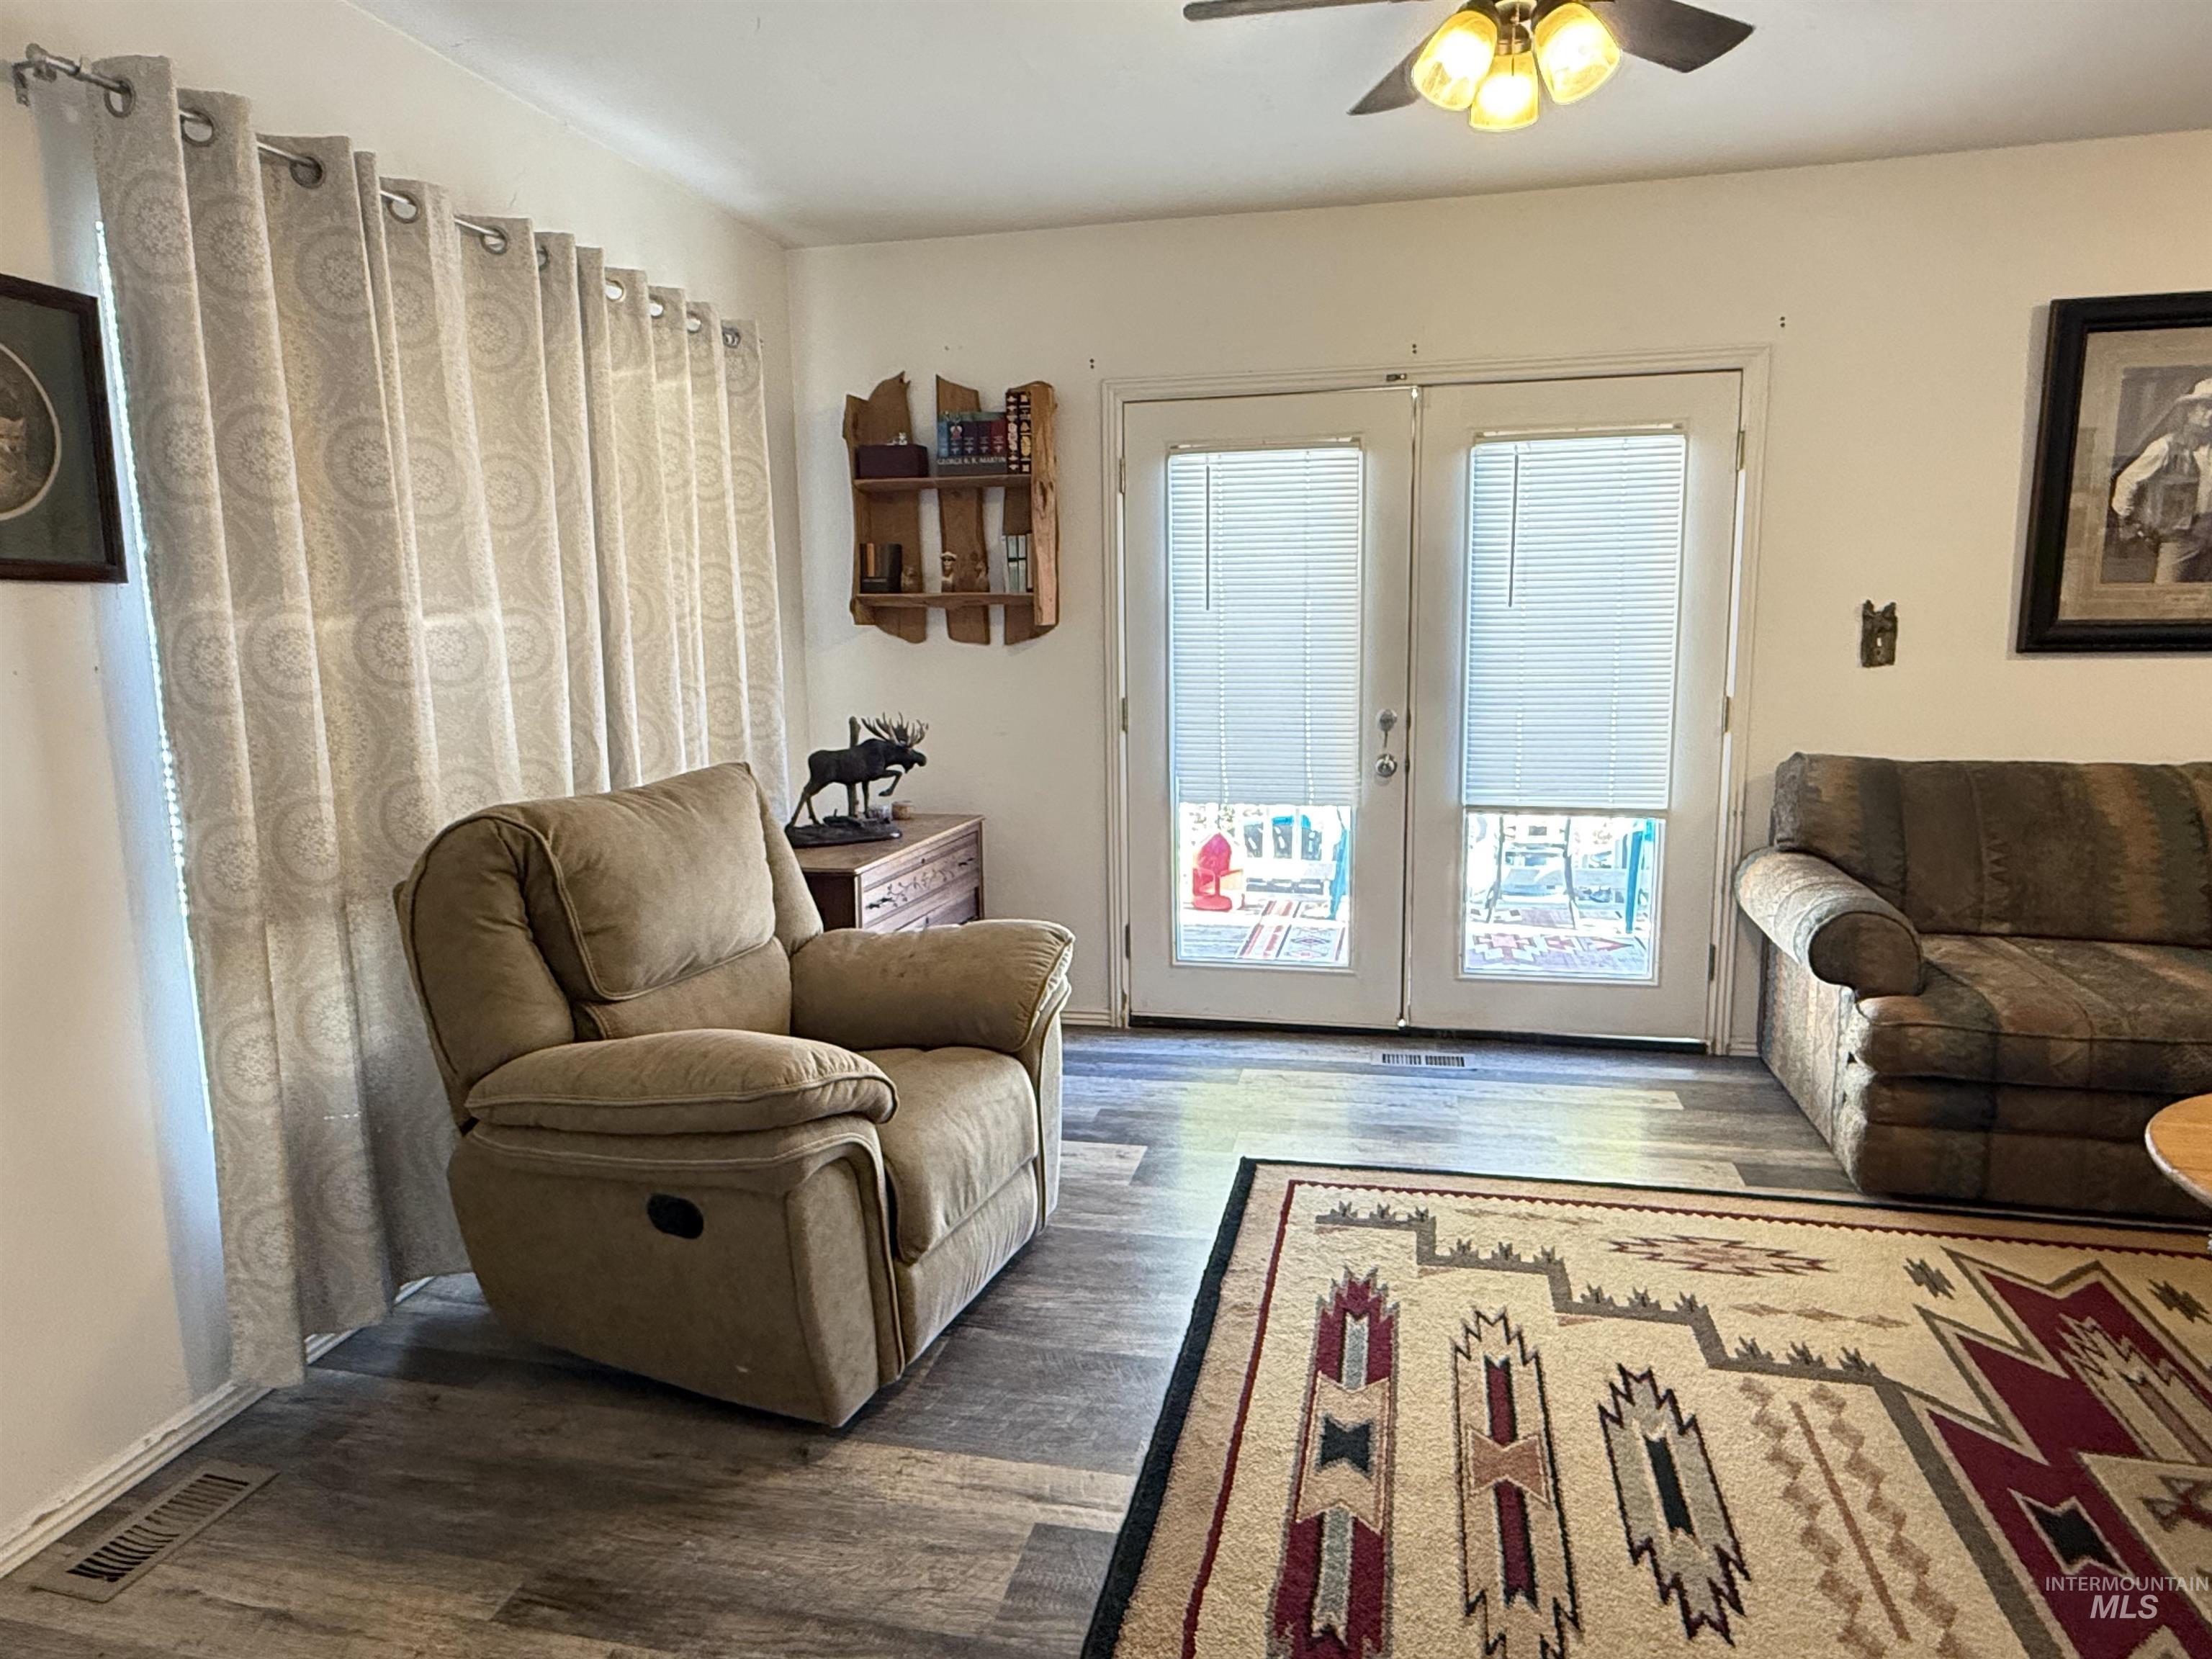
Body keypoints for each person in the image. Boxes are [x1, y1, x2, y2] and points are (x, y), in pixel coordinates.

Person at [2110, 377, 2212, 584]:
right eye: (2205, 407)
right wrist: (2126, 520)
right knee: (2164, 593)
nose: (2210, 414)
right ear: (2190, 411)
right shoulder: (2165, 446)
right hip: (2181, 535)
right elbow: (2128, 480)